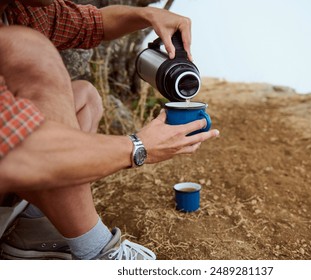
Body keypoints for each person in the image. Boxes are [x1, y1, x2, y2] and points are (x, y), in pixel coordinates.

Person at [0, 0, 219, 260]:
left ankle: (31, 225)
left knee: (85, 97)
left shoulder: (21, 9)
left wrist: (147, 15)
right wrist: (139, 147)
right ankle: (98, 252)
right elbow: (19, 151)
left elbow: (95, 23)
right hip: (16, 161)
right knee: (25, 48)